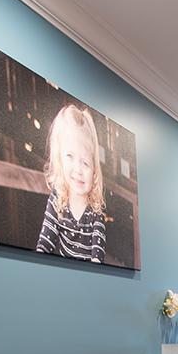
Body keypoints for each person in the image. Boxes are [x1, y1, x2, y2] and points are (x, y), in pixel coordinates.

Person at [35, 104, 106, 262]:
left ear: (94, 170)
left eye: (85, 163)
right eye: (70, 156)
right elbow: (45, 241)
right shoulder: (58, 200)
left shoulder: (95, 210)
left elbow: (98, 253)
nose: (78, 169)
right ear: (59, 159)